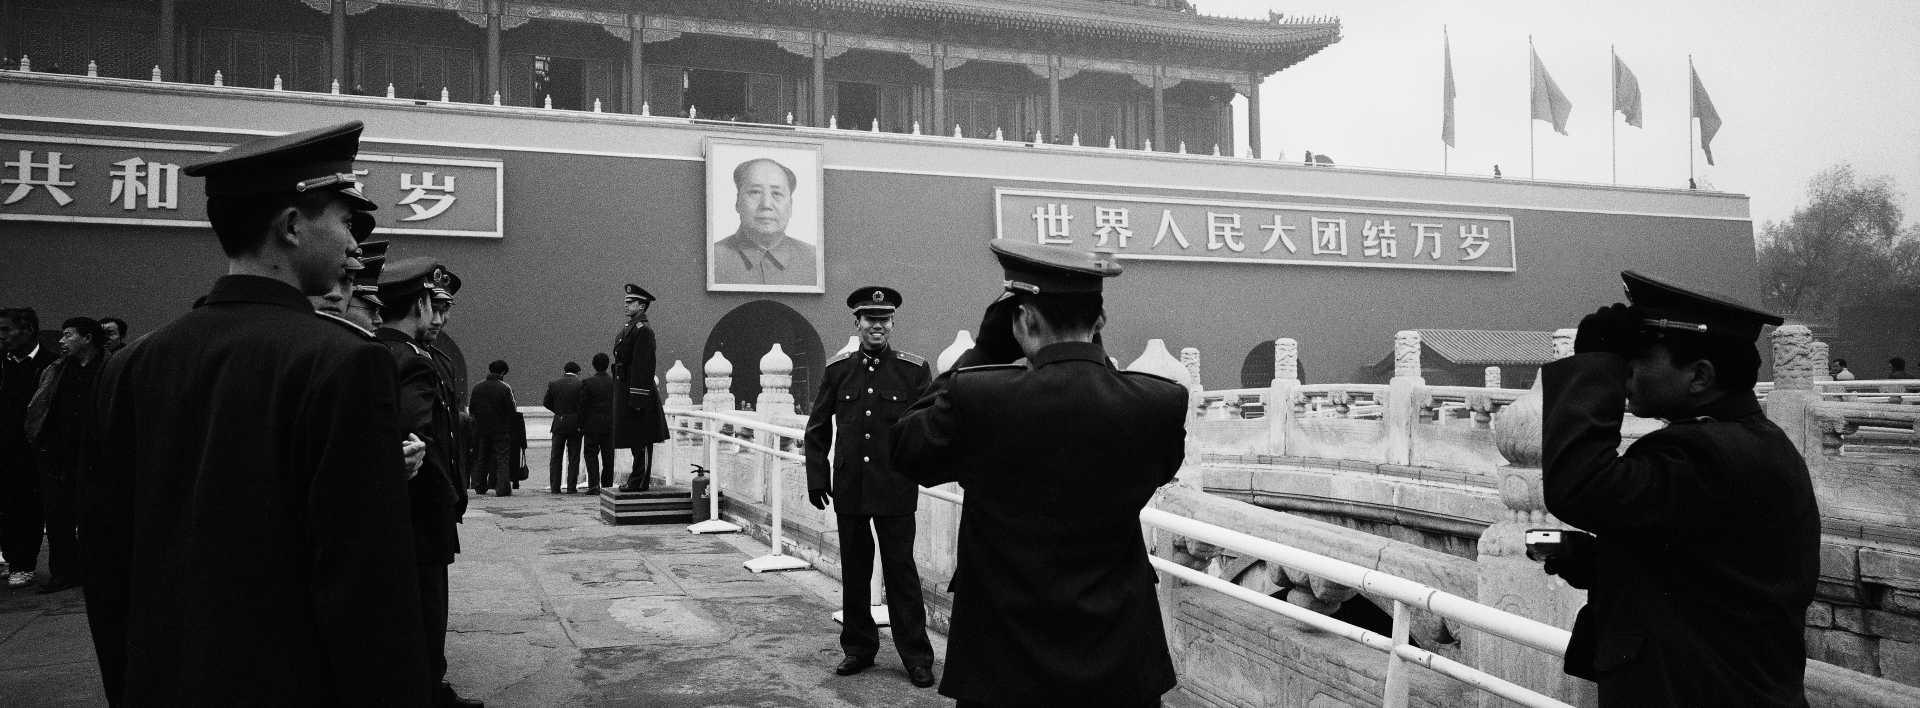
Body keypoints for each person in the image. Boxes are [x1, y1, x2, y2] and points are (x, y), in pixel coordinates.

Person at [82, 121, 428, 704]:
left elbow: (107, 558)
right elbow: (366, 586)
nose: (352, 246)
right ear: (292, 226)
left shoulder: (132, 363)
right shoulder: (344, 363)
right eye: (343, 221)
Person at [891, 240, 1187, 706]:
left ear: (1024, 319)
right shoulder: (1159, 404)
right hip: (1119, 658)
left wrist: (984, 350)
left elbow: (907, 451)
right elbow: (1159, 466)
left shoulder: (979, 398)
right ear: (1100, 322)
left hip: (1002, 660)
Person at [1539, 270, 1819, 706]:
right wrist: (1601, 561)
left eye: (1638, 357)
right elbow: (1714, 571)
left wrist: (1593, 364)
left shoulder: (1707, 453)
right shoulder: (1750, 441)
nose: (1625, 371)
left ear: (1700, 376)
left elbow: (1578, 486)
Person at [803, 286, 936, 688]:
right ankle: (858, 649)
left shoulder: (914, 371)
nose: (877, 327)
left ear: (892, 324)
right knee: (856, 571)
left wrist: (921, 469)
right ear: (856, 323)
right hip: (851, 488)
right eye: (869, 320)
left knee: (901, 573)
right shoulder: (838, 369)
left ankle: (916, 656)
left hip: (895, 487)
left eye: (884, 320)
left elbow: (927, 426)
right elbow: (818, 427)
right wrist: (816, 476)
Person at [374, 256, 482, 708]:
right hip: (420, 509)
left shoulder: (395, 352)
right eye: (433, 306)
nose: (440, 318)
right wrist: (448, 497)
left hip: (405, 509)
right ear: (419, 305)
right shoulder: (411, 359)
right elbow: (423, 439)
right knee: (425, 607)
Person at [23, 317, 106, 594]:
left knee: (95, 517)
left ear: (88, 338)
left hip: (96, 455)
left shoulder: (110, 367)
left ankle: (95, 570)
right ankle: (64, 572)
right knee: (58, 519)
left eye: (68, 335)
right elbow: (40, 407)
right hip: (59, 455)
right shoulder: (56, 370)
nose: (61, 340)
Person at [0, 307, 56, 589]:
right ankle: (13, 558)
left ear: (29, 330)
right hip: (4, 447)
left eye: (6, 330)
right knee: (7, 505)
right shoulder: (4, 363)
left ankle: (23, 563)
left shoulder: (51, 365)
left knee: (28, 506)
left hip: (32, 449)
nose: (2, 337)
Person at [712, 158, 818, 287]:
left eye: (777, 193)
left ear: (790, 206)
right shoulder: (712, 259)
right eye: (755, 192)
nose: (766, 204)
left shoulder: (816, 261)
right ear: (737, 202)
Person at [612, 284, 668, 491]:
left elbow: (643, 366)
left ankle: (639, 481)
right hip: (627, 390)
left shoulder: (644, 331)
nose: (626, 306)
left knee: (641, 440)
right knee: (635, 440)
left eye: (630, 303)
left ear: (642, 306)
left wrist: (637, 398)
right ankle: (636, 480)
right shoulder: (629, 329)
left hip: (638, 394)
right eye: (625, 302)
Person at [471, 359, 519, 497]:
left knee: (483, 456)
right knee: (502, 458)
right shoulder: (505, 387)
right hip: (501, 429)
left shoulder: (477, 387)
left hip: (482, 428)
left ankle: (479, 486)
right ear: (503, 372)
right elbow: (512, 410)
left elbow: (472, 408)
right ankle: (502, 488)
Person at [544, 361, 585, 493]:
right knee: (574, 457)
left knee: (556, 457)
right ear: (578, 372)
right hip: (576, 424)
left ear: (564, 371)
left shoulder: (554, 384)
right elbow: (583, 404)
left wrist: (559, 412)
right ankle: (571, 487)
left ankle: (555, 487)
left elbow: (546, 402)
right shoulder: (581, 384)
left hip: (558, 423)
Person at [579, 352, 618, 494]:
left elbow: (582, 406)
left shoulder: (587, 383)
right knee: (608, 456)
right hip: (609, 425)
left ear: (593, 365)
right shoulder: (614, 383)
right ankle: (607, 486)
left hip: (592, 426)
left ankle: (594, 485)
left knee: (590, 455)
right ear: (607, 365)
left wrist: (581, 425)